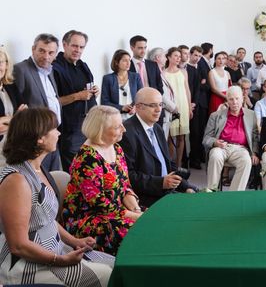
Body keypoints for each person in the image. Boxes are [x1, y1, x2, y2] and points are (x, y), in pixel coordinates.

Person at [0, 108, 114, 286]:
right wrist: (60, 260)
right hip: (27, 266)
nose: (59, 133)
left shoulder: (37, 170)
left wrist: (74, 241)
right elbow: (18, 245)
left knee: (115, 265)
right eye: (54, 129)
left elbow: (45, 218)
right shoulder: (17, 180)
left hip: (54, 251)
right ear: (39, 138)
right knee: (108, 275)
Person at [63, 106, 142, 255]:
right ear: (100, 130)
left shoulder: (116, 148)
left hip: (117, 212)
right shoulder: (87, 158)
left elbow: (125, 185)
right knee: (137, 233)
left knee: (154, 221)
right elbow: (100, 205)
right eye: (118, 126)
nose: (124, 129)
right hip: (87, 219)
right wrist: (138, 217)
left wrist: (137, 210)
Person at [120, 88, 197, 208]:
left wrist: (185, 186)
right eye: (152, 105)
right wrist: (161, 183)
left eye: (160, 105)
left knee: (200, 199)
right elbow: (128, 176)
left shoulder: (157, 128)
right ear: (139, 107)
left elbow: (168, 164)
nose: (158, 110)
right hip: (145, 197)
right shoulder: (127, 132)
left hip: (166, 190)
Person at [13, 33, 62, 171]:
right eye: (42, 51)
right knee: (38, 180)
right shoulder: (21, 69)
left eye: (51, 52)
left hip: (53, 135)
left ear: (56, 54)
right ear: (33, 49)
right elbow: (19, 105)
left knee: (53, 178)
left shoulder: (50, 70)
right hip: (36, 139)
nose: (46, 56)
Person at [52, 30, 100, 171]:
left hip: (90, 125)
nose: (77, 50)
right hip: (70, 130)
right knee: (74, 170)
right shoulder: (55, 68)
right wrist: (78, 96)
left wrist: (94, 92)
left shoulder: (82, 65)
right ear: (64, 44)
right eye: (74, 46)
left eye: (81, 47)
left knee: (90, 168)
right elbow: (53, 101)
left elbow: (88, 91)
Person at [202, 86, 259, 191]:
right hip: (221, 147)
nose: (234, 102)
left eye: (237, 98)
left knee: (246, 161)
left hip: (241, 149)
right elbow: (206, 138)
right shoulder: (215, 116)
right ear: (227, 101)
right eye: (231, 99)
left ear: (242, 99)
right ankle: (212, 191)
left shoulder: (251, 115)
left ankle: (233, 195)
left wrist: (254, 153)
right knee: (215, 156)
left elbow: (255, 137)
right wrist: (215, 142)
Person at [164, 47, 192, 170]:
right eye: (175, 56)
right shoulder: (163, 72)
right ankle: (170, 165)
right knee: (171, 136)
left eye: (179, 57)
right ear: (169, 57)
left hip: (183, 106)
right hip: (171, 107)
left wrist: (190, 107)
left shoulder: (183, 72)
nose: (178, 58)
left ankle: (179, 165)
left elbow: (187, 90)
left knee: (182, 137)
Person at [0, 47, 26, 168]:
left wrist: (7, 120)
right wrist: (16, 118)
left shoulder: (10, 86)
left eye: (0, 62)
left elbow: (25, 114)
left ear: (6, 65)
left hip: (14, 146)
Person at [100, 49, 143, 121]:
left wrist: (135, 107)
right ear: (116, 62)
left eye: (129, 60)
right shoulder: (108, 78)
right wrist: (121, 108)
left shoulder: (136, 77)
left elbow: (142, 96)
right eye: (124, 60)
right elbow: (104, 102)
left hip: (133, 117)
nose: (128, 63)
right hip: (114, 118)